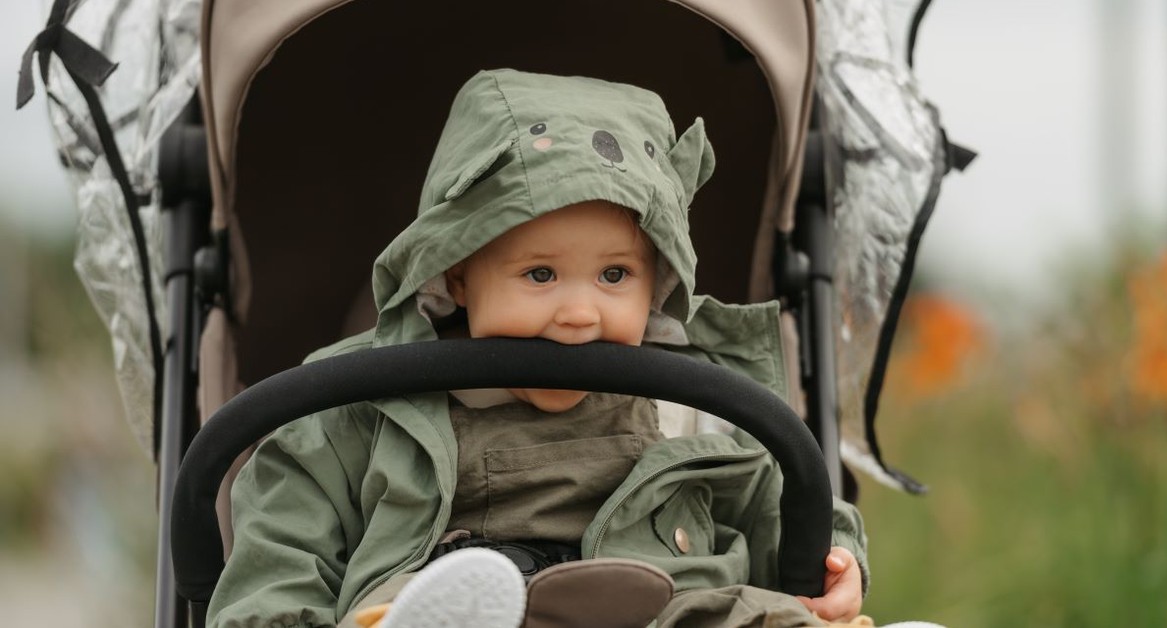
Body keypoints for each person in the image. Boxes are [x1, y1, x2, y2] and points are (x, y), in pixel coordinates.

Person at [208, 69, 869, 628]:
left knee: (752, 614)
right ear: (457, 273)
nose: (580, 314)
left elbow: (781, 494)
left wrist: (834, 557)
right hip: (460, 601)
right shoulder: (362, 402)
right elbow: (280, 553)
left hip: (664, 607)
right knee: (400, 607)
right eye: (540, 275)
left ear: (658, 278)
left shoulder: (697, 401)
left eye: (615, 276)